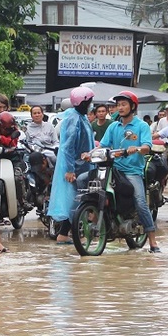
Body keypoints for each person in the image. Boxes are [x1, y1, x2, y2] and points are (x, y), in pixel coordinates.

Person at [97, 91, 160, 252]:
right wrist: (89, 153)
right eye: (118, 105)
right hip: (113, 169)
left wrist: (137, 148)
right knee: (88, 184)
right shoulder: (113, 126)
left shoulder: (141, 126)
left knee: (140, 201)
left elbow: (147, 147)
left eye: (124, 104)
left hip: (133, 171)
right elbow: (103, 146)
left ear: (132, 106)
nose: (120, 107)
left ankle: (153, 241)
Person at [48, 86, 96, 244]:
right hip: (73, 165)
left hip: (81, 163)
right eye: (89, 102)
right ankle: (71, 234)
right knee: (73, 199)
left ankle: (65, 234)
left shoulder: (80, 117)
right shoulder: (74, 119)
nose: (91, 105)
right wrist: (70, 170)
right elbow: (68, 147)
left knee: (76, 198)